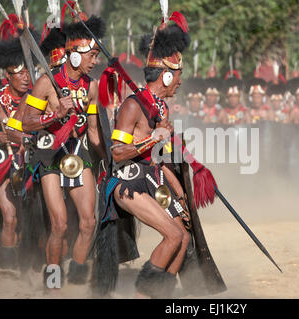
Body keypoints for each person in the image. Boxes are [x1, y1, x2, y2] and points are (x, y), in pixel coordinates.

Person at [105, 11, 191, 299]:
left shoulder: (161, 108)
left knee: (184, 237)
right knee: (173, 235)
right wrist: (152, 138)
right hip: (129, 183)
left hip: (153, 180)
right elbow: (117, 153)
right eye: (178, 75)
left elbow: (158, 159)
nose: (180, 81)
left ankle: (160, 296)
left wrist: (180, 193)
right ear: (166, 75)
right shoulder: (132, 106)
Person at [21, 15, 106, 286]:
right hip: (50, 154)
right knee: (59, 224)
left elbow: (93, 133)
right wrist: (54, 116)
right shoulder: (47, 83)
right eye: (92, 55)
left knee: (88, 223)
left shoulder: (91, 86)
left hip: (78, 153)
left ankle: (77, 279)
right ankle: (53, 283)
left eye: (96, 55)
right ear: (76, 55)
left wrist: (110, 160)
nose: (96, 61)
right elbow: (27, 122)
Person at [0, 36, 31, 269]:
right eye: (19, 74)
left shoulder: (36, 99)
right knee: (10, 218)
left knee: (26, 218)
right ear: (8, 76)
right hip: (3, 163)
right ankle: (8, 268)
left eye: (27, 73)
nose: (25, 78)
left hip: (29, 163)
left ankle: (26, 261)